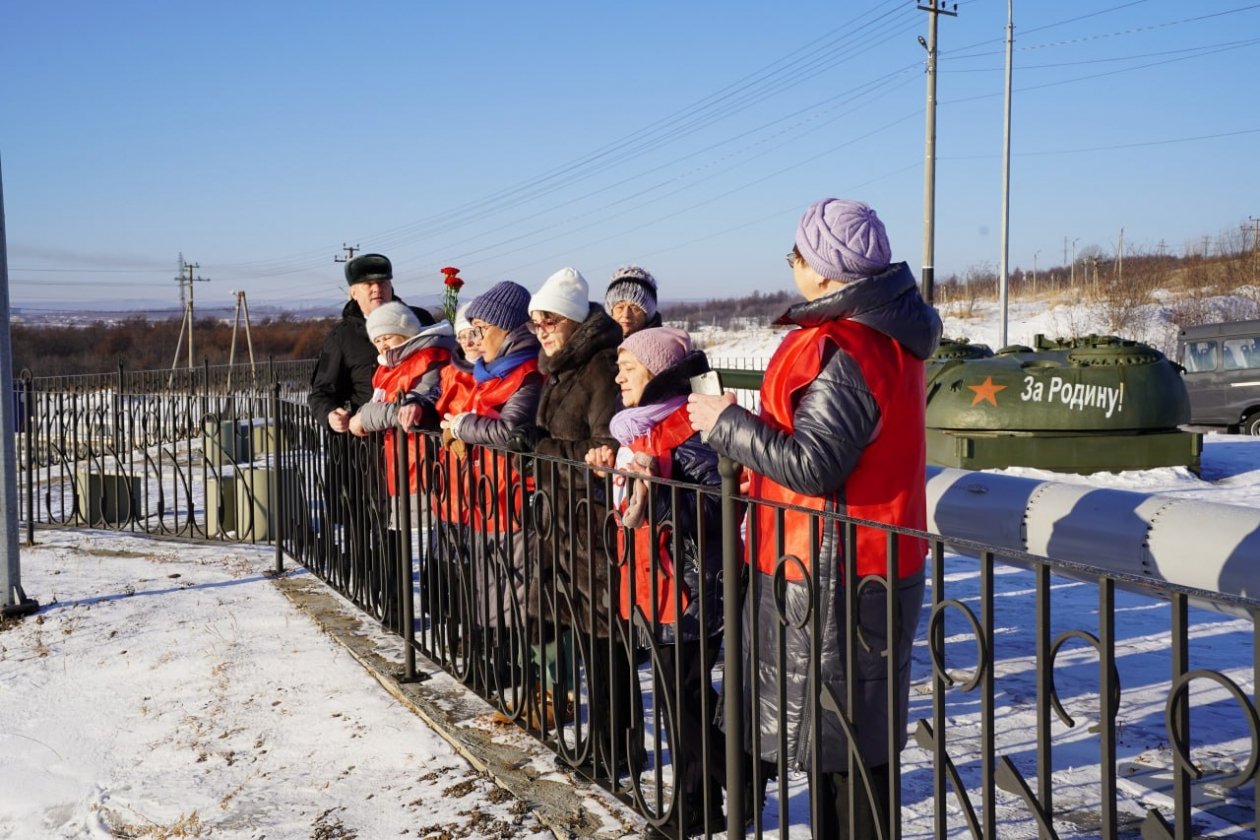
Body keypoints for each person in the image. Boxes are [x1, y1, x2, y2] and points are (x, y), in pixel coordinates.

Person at [687, 198, 941, 838]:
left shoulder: (845, 348)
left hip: (833, 576)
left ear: (826, 273)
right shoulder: (886, 340)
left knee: (844, 753)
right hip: (852, 566)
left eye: (797, 254)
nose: (792, 265)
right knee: (840, 744)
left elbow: (814, 465)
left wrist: (728, 426)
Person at [585, 326, 727, 836]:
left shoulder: (689, 427)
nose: (617, 375)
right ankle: (708, 801)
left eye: (628, 367)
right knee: (677, 696)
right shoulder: (635, 431)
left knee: (685, 698)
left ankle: (725, 785)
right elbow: (633, 510)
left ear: (657, 372)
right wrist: (614, 476)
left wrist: (659, 491)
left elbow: (721, 504)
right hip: (654, 581)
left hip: (691, 585)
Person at [507, 267, 633, 775]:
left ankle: (616, 748)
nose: (541, 329)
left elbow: (607, 447)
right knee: (581, 637)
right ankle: (600, 742)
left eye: (549, 319)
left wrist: (539, 449)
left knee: (606, 643)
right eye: (535, 321)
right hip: (562, 522)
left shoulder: (599, 366)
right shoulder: (559, 368)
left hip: (594, 523)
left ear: (574, 319)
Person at [306, 253, 436, 605]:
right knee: (371, 526)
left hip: (417, 442)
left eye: (382, 281)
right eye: (367, 284)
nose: (375, 288)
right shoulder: (343, 337)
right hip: (364, 449)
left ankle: (405, 605)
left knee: (414, 528)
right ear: (353, 292)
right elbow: (321, 391)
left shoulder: (419, 321)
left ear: (392, 284)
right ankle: (376, 591)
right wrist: (330, 414)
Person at [436, 282, 544, 695]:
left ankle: (512, 667)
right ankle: (488, 665)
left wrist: (463, 425)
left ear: (505, 327)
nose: (475, 339)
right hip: (483, 494)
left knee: (511, 587)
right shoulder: (490, 372)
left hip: (512, 494)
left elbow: (511, 431)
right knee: (487, 582)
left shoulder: (526, 372)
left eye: (481, 328)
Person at [604, 264, 662, 337]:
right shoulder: (597, 345)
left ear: (648, 314)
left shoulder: (660, 345)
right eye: (620, 307)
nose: (626, 315)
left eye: (635, 308)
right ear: (611, 312)